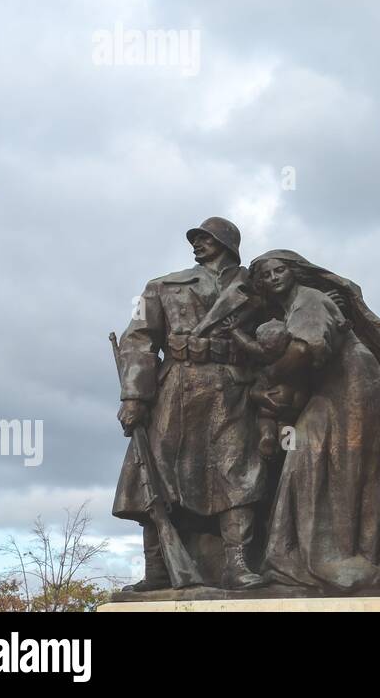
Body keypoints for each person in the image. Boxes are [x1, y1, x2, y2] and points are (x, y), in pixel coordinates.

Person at [232, 250, 380, 593]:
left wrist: (266, 376)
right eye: (265, 276)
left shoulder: (309, 300)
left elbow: (303, 350)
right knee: (311, 458)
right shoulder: (290, 310)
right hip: (339, 389)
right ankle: (312, 554)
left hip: (355, 387)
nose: (272, 278)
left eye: (278, 270)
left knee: (326, 462)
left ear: (294, 271)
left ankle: (332, 557)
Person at [113, 217, 268, 591]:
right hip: (176, 389)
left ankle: (236, 564)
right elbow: (138, 341)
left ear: (228, 244)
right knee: (155, 476)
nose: (197, 243)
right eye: (195, 239)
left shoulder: (258, 290)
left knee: (238, 474)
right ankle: (158, 570)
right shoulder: (162, 286)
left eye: (206, 239)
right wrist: (135, 395)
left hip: (233, 387)